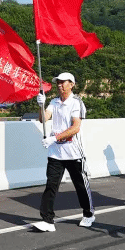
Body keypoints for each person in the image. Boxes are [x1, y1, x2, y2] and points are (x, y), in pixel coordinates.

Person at [33, 72, 95, 232]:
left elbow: (75, 127)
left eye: (63, 82)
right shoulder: (54, 102)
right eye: (58, 83)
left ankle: (88, 214)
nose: (59, 85)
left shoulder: (77, 103)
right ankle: (47, 220)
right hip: (56, 153)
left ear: (71, 84)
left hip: (73, 152)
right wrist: (40, 105)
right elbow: (43, 119)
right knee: (51, 185)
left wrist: (54, 138)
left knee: (80, 185)